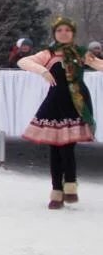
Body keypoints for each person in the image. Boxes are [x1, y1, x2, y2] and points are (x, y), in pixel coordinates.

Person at [18, 17, 103, 209]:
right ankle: (56, 191)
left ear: (72, 33)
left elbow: (99, 65)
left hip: (75, 103)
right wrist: (43, 71)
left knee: (67, 148)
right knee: (55, 149)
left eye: (67, 30)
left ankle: (70, 185)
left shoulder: (81, 53)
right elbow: (23, 61)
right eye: (59, 30)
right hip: (55, 104)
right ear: (54, 33)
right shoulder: (48, 53)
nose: (63, 33)